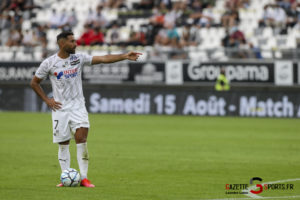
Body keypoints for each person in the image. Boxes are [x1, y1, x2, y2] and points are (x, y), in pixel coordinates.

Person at [30, 31, 141, 187]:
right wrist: (47, 100)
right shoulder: (49, 63)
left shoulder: (78, 59)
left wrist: (124, 56)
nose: (75, 44)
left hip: (78, 107)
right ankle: (65, 176)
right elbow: (34, 82)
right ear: (62, 43)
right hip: (60, 109)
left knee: (81, 140)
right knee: (63, 143)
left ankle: (84, 178)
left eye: (75, 41)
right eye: (72, 41)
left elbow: (103, 59)